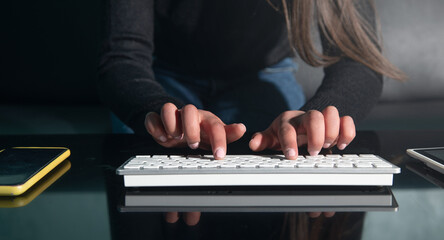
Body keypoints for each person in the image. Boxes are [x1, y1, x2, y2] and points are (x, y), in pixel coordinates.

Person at [98, 0, 405, 160]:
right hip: (163, 76)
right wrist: (156, 105)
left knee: (285, 165)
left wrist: (321, 114)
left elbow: (356, 58)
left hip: (263, 74)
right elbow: (124, 56)